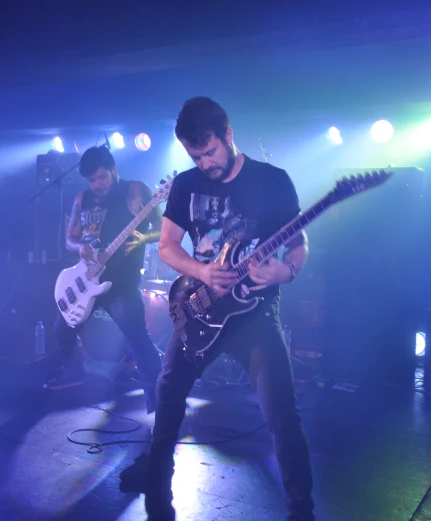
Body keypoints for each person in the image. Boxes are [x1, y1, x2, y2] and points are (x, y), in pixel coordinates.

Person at [146, 97, 314, 520]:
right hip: (200, 309)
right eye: (195, 155)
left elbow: (298, 245)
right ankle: (155, 497)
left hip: (254, 315)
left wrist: (285, 273)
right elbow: (167, 247)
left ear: (228, 134)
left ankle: (302, 511)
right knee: (167, 397)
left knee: (282, 414)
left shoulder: (272, 181)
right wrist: (202, 272)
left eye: (210, 152)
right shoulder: (186, 185)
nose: (205, 163)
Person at [46, 146, 164, 413]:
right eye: (92, 180)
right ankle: (74, 372)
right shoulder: (82, 198)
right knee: (62, 327)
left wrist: (144, 238)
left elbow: (162, 228)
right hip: (86, 278)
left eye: (102, 178)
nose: (97, 185)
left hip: (121, 281)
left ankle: (159, 401)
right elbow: (69, 238)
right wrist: (80, 248)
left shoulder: (136, 191)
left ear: (115, 170)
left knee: (136, 338)